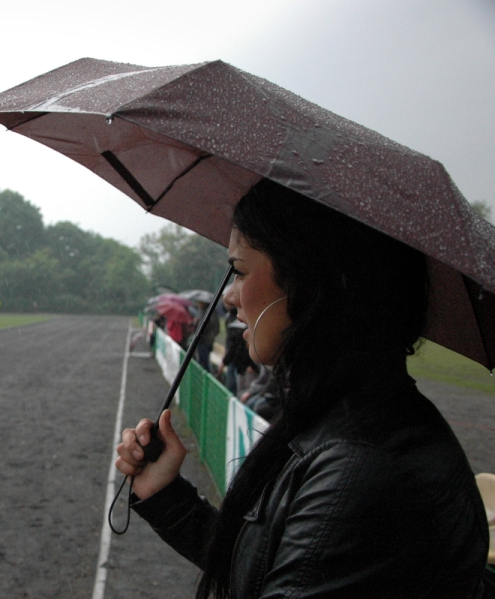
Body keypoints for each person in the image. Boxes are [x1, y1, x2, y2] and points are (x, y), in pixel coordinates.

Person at [115, 178, 488, 597]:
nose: (230, 298)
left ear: (311, 282)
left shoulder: (357, 472)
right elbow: (268, 567)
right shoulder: (348, 422)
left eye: (240, 271)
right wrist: (166, 497)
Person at [193, 300, 219, 372]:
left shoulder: (208, 313)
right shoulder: (202, 312)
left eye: (200, 302)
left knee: (204, 362)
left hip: (204, 341)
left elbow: (212, 328)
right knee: (202, 360)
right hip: (204, 341)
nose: (198, 303)